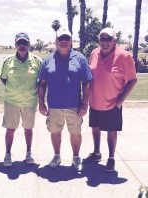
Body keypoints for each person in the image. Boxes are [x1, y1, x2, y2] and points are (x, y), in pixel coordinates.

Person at [38, 28, 93, 172]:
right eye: (61, 38)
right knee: (55, 132)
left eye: (66, 38)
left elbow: (87, 82)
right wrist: (41, 103)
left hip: (74, 105)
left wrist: (85, 103)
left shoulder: (80, 58)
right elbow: (42, 83)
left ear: (71, 41)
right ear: (56, 41)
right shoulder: (48, 60)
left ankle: (76, 157)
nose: (63, 41)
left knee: (75, 132)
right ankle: (56, 156)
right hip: (54, 105)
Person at [83, 27, 137, 172]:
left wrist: (120, 101)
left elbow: (132, 80)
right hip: (94, 101)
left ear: (114, 40)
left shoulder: (124, 56)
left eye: (108, 39)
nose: (105, 42)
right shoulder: (94, 53)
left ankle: (111, 157)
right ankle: (96, 153)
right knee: (95, 128)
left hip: (112, 103)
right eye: (102, 39)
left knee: (111, 131)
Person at [0, 32, 42, 167]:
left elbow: (41, 81)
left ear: (29, 44)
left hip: (29, 102)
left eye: (24, 43)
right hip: (11, 101)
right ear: (15, 45)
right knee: (10, 129)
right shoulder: (8, 61)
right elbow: (3, 78)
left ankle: (28, 153)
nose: (22, 45)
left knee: (28, 128)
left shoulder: (37, 61)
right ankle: (7, 154)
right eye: (19, 43)